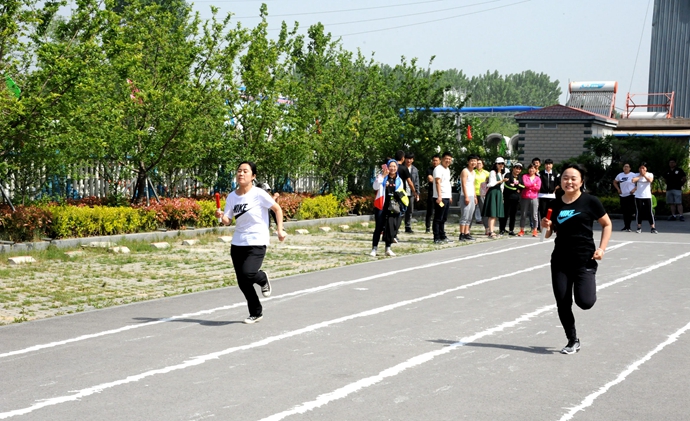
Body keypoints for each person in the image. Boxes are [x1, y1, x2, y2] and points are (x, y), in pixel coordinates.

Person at [542, 163, 612, 355]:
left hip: (584, 260)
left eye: (573, 178)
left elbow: (607, 224)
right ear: (560, 180)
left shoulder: (590, 201)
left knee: (585, 302)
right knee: (563, 302)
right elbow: (548, 234)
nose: (569, 181)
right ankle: (572, 340)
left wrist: (602, 249)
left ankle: (588, 282)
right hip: (560, 261)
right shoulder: (555, 204)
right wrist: (546, 226)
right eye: (565, 178)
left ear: (581, 181)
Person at [216, 162, 287, 324]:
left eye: (245, 171)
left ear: (253, 176)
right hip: (238, 242)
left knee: (248, 273)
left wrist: (280, 230)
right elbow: (227, 221)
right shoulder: (232, 197)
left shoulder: (259, 194)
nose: (241, 174)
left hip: (257, 240)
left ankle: (262, 278)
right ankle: (255, 312)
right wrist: (220, 216)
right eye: (239, 171)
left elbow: (277, 209)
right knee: (242, 282)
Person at [370, 159, 409, 257]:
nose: (393, 168)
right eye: (391, 166)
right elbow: (375, 187)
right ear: (387, 167)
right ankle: (374, 248)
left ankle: (388, 248)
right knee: (378, 228)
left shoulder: (399, 180)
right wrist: (383, 176)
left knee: (390, 228)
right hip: (381, 205)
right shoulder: (381, 176)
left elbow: (401, 191)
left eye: (394, 166)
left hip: (392, 207)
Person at [394, 150, 418, 241]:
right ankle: (395, 232)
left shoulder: (391, 167)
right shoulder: (403, 168)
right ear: (403, 158)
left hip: (391, 192)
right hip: (401, 193)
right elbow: (410, 182)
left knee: (393, 212)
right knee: (401, 212)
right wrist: (414, 191)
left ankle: (390, 230)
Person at [482, 157, 506, 238]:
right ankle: (491, 231)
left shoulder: (501, 173)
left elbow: (502, 187)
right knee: (492, 213)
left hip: (498, 193)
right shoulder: (493, 172)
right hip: (493, 192)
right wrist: (501, 181)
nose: (501, 165)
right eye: (499, 164)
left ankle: (492, 230)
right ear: (496, 164)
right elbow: (491, 183)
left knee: (495, 214)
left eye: (502, 163)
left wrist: (502, 196)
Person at [433, 151, 454, 244]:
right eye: (446, 159)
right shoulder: (438, 169)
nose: (448, 161)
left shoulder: (447, 169)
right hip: (440, 198)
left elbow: (447, 183)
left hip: (446, 197)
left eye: (450, 159)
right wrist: (439, 196)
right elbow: (438, 182)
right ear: (442, 159)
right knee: (438, 217)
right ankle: (436, 237)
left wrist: (450, 196)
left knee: (444, 217)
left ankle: (442, 235)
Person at [632, 162, 658, 234]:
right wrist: (640, 176)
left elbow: (650, 180)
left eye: (643, 168)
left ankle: (653, 227)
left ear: (646, 168)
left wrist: (644, 176)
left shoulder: (650, 174)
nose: (642, 169)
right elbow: (633, 180)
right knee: (639, 212)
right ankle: (639, 227)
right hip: (638, 196)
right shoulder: (636, 175)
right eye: (640, 168)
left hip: (647, 196)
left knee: (649, 212)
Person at [458, 155, 478, 241]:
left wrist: (475, 196)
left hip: (471, 196)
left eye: (475, 161)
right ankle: (461, 234)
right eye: (472, 161)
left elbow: (472, 185)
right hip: (465, 196)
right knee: (465, 215)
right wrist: (466, 196)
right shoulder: (465, 171)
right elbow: (463, 184)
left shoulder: (473, 172)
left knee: (470, 216)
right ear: (468, 162)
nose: (473, 163)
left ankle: (467, 233)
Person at [500, 162, 524, 235]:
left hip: (516, 199)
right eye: (516, 168)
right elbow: (507, 186)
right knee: (505, 214)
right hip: (508, 198)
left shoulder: (520, 177)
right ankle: (502, 229)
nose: (518, 170)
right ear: (513, 168)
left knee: (513, 215)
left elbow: (523, 186)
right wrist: (516, 188)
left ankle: (511, 230)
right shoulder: (508, 175)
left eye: (519, 169)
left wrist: (515, 185)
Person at [518, 163, 541, 237]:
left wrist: (530, 186)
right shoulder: (525, 176)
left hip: (534, 197)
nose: (531, 170)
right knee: (523, 214)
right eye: (530, 168)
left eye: (533, 168)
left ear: (536, 170)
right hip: (525, 197)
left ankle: (535, 230)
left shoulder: (538, 178)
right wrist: (533, 185)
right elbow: (525, 184)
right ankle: (522, 230)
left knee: (534, 214)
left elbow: (538, 188)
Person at [612, 163, 637, 231]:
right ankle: (626, 226)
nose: (626, 168)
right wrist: (618, 189)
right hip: (623, 195)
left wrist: (634, 189)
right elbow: (615, 182)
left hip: (630, 195)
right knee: (625, 212)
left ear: (630, 168)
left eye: (627, 167)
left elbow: (639, 183)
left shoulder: (633, 175)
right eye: (624, 167)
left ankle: (629, 225)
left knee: (630, 210)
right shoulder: (620, 175)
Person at [404, 152, 421, 233]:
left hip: (411, 192)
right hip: (402, 192)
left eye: (411, 159)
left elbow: (417, 182)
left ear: (413, 160)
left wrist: (417, 193)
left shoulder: (414, 169)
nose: (409, 160)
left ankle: (408, 226)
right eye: (407, 158)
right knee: (400, 210)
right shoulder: (401, 168)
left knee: (410, 210)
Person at [474, 158, 491, 234]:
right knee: (471, 212)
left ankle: (487, 228)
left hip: (482, 194)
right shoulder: (473, 172)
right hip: (473, 193)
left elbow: (490, 182)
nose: (478, 165)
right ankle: (467, 229)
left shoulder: (486, 173)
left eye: (480, 163)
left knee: (483, 212)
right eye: (477, 163)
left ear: (483, 165)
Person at [425, 155, 441, 233]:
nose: (435, 162)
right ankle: (428, 226)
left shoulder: (442, 169)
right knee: (430, 210)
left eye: (436, 160)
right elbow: (430, 179)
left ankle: (439, 226)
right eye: (434, 160)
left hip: (441, 194)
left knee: (441, 208)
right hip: (432, 193)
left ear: (440, 161)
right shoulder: (429, 170)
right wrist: (439, 180)